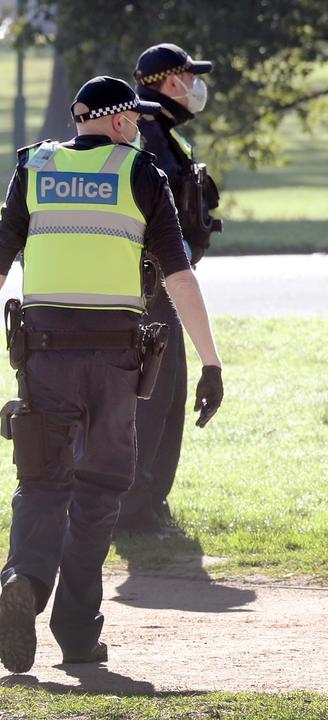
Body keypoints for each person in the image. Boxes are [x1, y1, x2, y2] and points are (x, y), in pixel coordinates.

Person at [0, 76, 224, 673]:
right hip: (116, 361)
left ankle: (22, 577)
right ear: (123, 122)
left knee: (43, 481)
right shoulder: (141, 173)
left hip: (44, 356)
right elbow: (179, 277)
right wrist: (210, 361)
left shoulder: (35, 168)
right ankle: (76, 633)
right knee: (98, 491)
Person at [117, 42, 222, 535]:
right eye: (189, 77)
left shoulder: (159, 129)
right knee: (155, 396)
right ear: (169, 80)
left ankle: (150, 501)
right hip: (153, 285)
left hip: (157, 281)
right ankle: (137, 507)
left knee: (168, 390)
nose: (196, 87)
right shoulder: (150, 132)